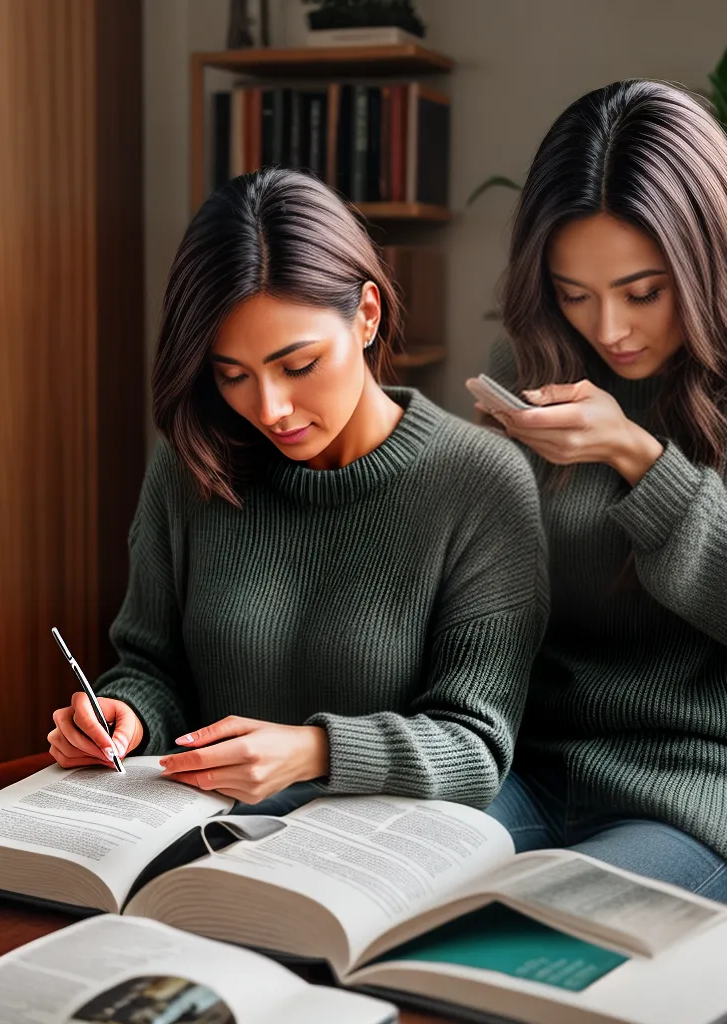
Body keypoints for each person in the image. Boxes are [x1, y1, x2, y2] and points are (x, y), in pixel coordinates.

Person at [473, 79, 727, 917]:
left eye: (643, 291)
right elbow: (486, 598)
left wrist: (641, 461)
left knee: (539, 944)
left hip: (699, 795)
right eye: (573, 293)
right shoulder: (537, 358)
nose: (610, 331)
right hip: (517, 764)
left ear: (706, 256)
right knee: (361, 892)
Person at [47, 167, 549, 813]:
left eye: (298, 365)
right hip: (200, 826)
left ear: (367, 316)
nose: (271, 407)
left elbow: (476, 746)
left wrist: (316, 750)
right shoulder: (193, 461)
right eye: (232, 375)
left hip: (377, 848)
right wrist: (125, 715)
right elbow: (152, 668)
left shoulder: (479, 482)